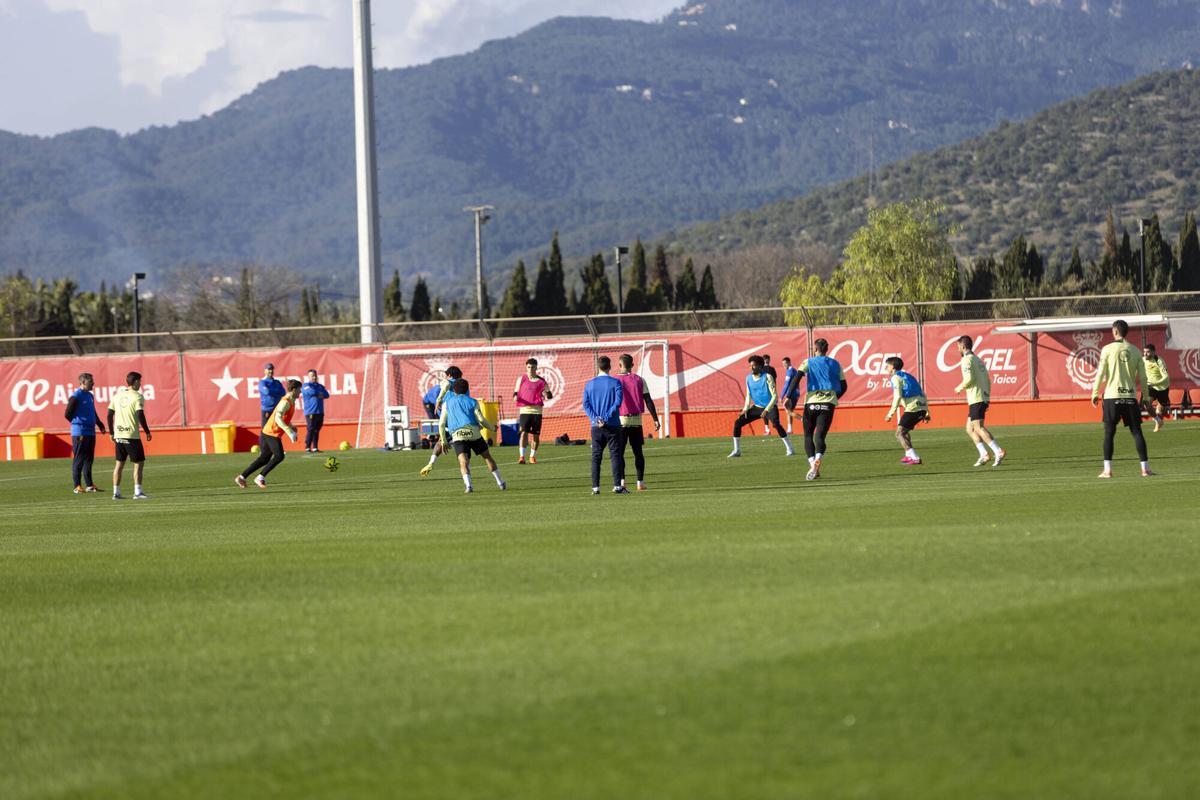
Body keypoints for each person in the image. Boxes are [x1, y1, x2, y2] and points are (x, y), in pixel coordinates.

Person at [1092, 320, 1152, 478]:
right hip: (1130, 397)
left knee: (1109, 433)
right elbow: (1144, 377)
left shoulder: (1107, 349)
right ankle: (1145, 469)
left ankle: (1107, 470)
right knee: (1137, 432)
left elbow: (1100, 373)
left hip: (1112, 397)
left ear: (1115, 331)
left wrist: (1095, 393)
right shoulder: (1136, 351)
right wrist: (1146, 397)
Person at [791, 339, 847, 481]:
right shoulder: (835, 363)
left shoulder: (808, 362)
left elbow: (796, 378)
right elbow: (844, 385)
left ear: (815, 349)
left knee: (808, 435)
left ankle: (812, 464)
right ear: (827, 349)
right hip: (828, 404)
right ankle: (818, 460)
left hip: (811, 403)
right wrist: (834, 397)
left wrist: (788, 396)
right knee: (820, 436)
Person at [439, 378, 506, 493]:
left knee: (463, 462)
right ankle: (500, 482)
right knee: (487, 457)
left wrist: (444, 441)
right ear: (467, 390)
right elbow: (481, 419)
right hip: (474, 434)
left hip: (458, 435)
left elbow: (441, 424)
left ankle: (468, 486)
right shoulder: (473, 401)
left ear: (454, 390)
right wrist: (492, 428)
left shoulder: (446, 403)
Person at [236, 379, 301, 489]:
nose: (300, 392)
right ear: (294, 390)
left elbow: (284, 417)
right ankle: (260, 477)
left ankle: (242, 477)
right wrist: (289, 431)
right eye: (299, 390)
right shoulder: (286, 401)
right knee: (279, 456)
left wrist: (291, 425)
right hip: (271, 432)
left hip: (267, 431)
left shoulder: (291, 401)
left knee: (264, 458)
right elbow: (278, 417)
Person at [953, 336, 1006, 467]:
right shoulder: (978, 360)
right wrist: (987, 397)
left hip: (976, 398)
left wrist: (958, 388)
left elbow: (969, 379)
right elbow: (988, 380)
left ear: (963, 346)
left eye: (958, 346)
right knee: (969, 428)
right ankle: (984, 454)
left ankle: (998, 450)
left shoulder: (966, 360)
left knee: (978, 427)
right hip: (981, 397)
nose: (957, 349)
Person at [728, 355, 794, 458]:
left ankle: (789, 448)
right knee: (738, 423)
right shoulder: (748, 378)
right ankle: (737, 450)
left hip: (770, 407)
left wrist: (767, 410)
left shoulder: (768, 377)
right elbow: (748, 395)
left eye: (754, 366)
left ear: (760, 366)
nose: (752, 368)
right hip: (757, 407)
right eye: (750, 366)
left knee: (776, 424)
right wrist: (745, 409)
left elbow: (775, 396)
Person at [616, 353, 661, 491]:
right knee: (638, 453)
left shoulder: (614, 380)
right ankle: (640, 483)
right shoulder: (640, 380)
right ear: (632, 365)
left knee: (619, 453)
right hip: (636, 421)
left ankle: (622, 482)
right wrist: (655, 419)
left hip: (620, 422)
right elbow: (648, 400)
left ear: (620, 365)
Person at [583, 355, 627, 495]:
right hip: (612, 425)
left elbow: (586, 404)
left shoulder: (589, 384)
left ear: (598, 366)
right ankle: (617, 486)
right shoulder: (616, 383)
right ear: (610, 366)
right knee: (615, 455)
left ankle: (595, 488)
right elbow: (618, 403)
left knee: (596, 456)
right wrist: (606, 418)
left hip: (596, 427)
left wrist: (596, 419)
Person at [107, 371, 152, 500]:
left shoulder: (117, 396)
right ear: (136, 382)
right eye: (140, 381)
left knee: (119, 464)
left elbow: (109, 414)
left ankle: (116, 493)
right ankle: (137, 492)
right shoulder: (138, 396)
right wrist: (147, 431)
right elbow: (140, 414)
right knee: (139, 463)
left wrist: (111, 432)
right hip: (131, 435)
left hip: (119, 434)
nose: (141, 384)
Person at [883, 357, 929, 466]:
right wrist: (926, 412)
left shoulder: (895, 378)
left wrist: (890, 414)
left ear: (893, 367)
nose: (886, 368)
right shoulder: (908, 376)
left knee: (899, 433)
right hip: (921, 408)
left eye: (887, 365)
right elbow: (923, 393)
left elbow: (897, 397)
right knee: (905, 431)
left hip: (913, 409)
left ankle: (914, 457)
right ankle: (909, 455)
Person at [65, 371, 106, 493]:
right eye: (90, 381)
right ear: (83, 382)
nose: (93, 383)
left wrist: (99, 423)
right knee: (79, 459)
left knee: (89, 458)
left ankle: (89, 485)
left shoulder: (90, 395)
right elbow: (67, 414)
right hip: (80, 432)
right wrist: (78, 423)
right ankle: (77, 486)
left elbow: (92, 411)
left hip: (90, 432)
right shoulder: (76, 396)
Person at [420, 366, 463, 477]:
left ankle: (431, 462)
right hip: (455, 419)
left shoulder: (448, 385)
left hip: (449, 418)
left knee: (442, 435)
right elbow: (438, 404)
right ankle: (434, 437)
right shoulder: (455, 386)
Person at [513, 358, 553, 464]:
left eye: (532, 367)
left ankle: (532, 456)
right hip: (524, 410)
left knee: (535, 435)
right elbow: (515, 393)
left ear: (536, 368)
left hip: (537, 412)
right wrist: (515, 397)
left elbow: (549, 395)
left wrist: (546, 394)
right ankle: (522, 456)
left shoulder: (541, 381)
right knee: (523, 433)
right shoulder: (521, 379)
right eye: (528, 367)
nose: (530, 369)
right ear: (526, 367)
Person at [1142, 343, 1171, 432]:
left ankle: (1158, 422)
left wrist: (1156, 383)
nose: (1145, 354)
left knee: (1160, 410)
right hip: (1150, 386)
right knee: (1147, 404)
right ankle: (1158, 420)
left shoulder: (1159, 361)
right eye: (1144, 352)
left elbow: (1166, 377)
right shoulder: (1142, 360)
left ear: (1153, 352)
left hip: (1163, 387)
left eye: (1148, 352)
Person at [301, 369, 330, 452]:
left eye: (315, 375)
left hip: (320, 411)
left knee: (317, 429)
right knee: (311, 429)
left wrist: (318, 393)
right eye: (312, 376)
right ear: (308, 376)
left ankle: (315, 447)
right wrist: (319, 393)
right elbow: (311, 391)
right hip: (310, 411)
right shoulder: (306, 385)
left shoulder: (320, 386)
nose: (314, 377)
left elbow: (327, 395)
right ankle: (307, 447)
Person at [257, 363, 285, 448]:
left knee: (276, 429)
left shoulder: (277, 382)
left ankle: (276, 448)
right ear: (265, 371)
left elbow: (283, 392)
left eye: (272, 369)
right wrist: (276, 391)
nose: (270, 371)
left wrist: (273, 391)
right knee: (265, 430)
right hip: (267, 409)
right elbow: (266, 392)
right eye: (269, 369)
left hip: (276, 409)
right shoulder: (262, 382)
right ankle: (263, 449)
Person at [780, 356, 801, 434]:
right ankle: (790, 429)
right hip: (795, 393)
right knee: (789, 411)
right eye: (783, 364)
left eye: (785, 363)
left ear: (789, 362)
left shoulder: (790, 371)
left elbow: (787, 384)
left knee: (788, 411)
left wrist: (782, 395)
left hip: (791, 394)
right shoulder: (794, 370)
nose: (784, 365)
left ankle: (804, 420)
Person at [760, 354, 778, 435]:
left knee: (770, 408)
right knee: (766, 409)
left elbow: (774, 379)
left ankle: (774, 425)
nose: (767, 360)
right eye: (765, 359)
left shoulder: (770, 369)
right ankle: (767, 428)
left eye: (768, 359)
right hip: (766, 392)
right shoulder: (763, 368)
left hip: (768, 392)